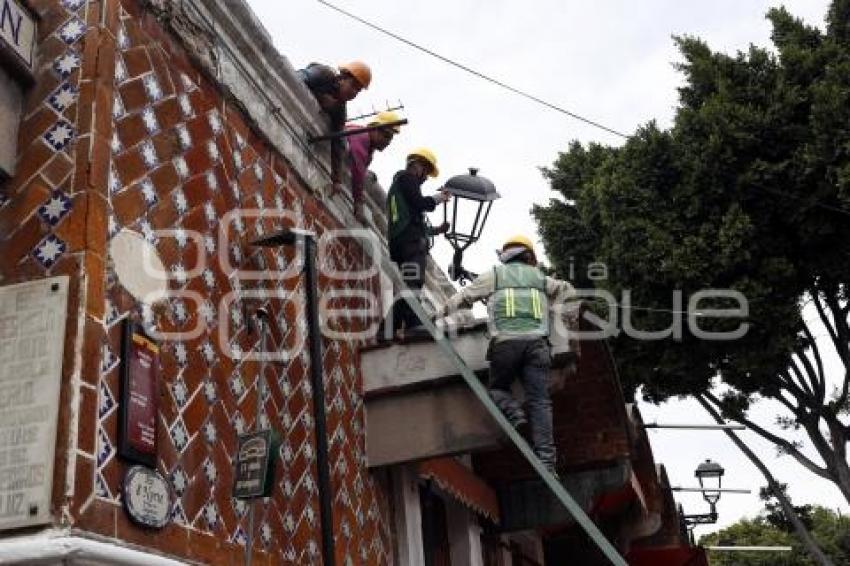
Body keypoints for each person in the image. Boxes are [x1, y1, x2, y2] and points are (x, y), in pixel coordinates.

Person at [435, 235, 576, 475]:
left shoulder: (495, 275)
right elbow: (568, 292)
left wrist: (435, 316)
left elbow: (463, 297)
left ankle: (514, 412)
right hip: (537, 346)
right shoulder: (539, 278)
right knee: (541, 402)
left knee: (498, 389)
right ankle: (547, 461)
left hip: (505, 345)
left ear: (505, 255)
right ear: (529, 257)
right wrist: (566, 318)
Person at [383, 148, 451, 337]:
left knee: (411, 284)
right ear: (417, 165)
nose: (426, 177)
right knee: (414, 283)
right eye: (426, 171)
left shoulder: (400, 186)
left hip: (403, 241)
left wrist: (436, 230)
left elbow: (412, 218)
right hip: (410, 242)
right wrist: (439, 198)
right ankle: (409, 324)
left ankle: (393, 326)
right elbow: (420, 203)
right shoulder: (406, 178)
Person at [297, 61, 372, 191]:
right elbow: (298, 78)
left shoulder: (340, 108)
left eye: (358, 90)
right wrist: (318, 96)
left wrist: (336, 179)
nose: (353, 92)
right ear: (342, 78)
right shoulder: (323, 74)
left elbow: (338, 140)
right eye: (353, 85)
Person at [347, 111, 402, 221]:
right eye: (386, 135)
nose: (388, 142)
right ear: (374, 129)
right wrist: (358, 203)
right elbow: (358, 169)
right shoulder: (361, 137)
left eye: (391, 138)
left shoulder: (368, 148)